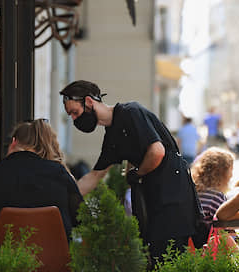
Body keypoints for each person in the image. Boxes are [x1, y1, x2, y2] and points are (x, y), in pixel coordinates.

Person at [59, 80, 202, 262]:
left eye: (74, 112)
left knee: (169, 257)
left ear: (88, 102)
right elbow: (94, 175)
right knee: (155, 256)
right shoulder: (112, 137)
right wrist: (62, 197)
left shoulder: (131, 112)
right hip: (154, 195)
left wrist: (137, 173)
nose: (73, 119)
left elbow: (157, 152)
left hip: (173, 194)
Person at [0, 119, 83, 239]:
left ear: (14, 142)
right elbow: (82, 219)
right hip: (54, 258)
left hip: (2, 257)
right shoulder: (59, 173)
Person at [191, 147, 234, 229]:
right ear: (223, 172)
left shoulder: (191, 191)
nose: (232, 175)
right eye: (231, 170)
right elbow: (225, 229)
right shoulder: (216, 197)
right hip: (206, 240)